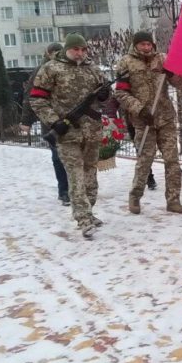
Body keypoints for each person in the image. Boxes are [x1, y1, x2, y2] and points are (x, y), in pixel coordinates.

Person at [30, 33, 111, 238]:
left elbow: (106, 92)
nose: (80, 53)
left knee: (90, 173)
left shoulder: (93, 69)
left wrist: (105, 94)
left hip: (91, 130)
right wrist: (54, 121)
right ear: (67, 49)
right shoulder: (51, 69)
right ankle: (82, 218)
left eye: (83, 50)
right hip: (67, 132)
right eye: (76, 49)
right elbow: (37, 99)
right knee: (75, 175)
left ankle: (89, 211)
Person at [115, 31, 182, 215]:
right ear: (136, 45)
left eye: (149, 44)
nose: (146, 48)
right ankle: (135, 196)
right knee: (145, 160)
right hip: (143, 120)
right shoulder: (126, 63)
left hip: (165, 118)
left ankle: (173, 199)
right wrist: (139, 109)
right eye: (142, 45)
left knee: (172, 161)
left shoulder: (163, 59)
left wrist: (173, 73)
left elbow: (180, 83)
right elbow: (121, 93)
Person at [20, 42, 69, 205]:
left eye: (59, 52)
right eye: (53, 52)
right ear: (47, 54)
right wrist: (26, 121)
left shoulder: (67, 68)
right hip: (51, 121)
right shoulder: (40, 72)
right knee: (58, 156)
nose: (56, 55)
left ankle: (76, 188)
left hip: (71, 119)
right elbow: (30, 97)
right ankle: (64, 190)